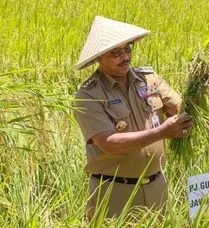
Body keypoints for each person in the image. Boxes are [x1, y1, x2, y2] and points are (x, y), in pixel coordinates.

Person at [74, 16, 193, 219]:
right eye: (115, 52)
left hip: (157, 187)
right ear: (98, 57)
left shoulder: (148, 79)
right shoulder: (89, 95)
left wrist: (200, 84)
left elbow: (182, 109)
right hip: (114, 192)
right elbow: (110, 144)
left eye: (128, 49)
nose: (125, 56)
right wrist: (163, 132)